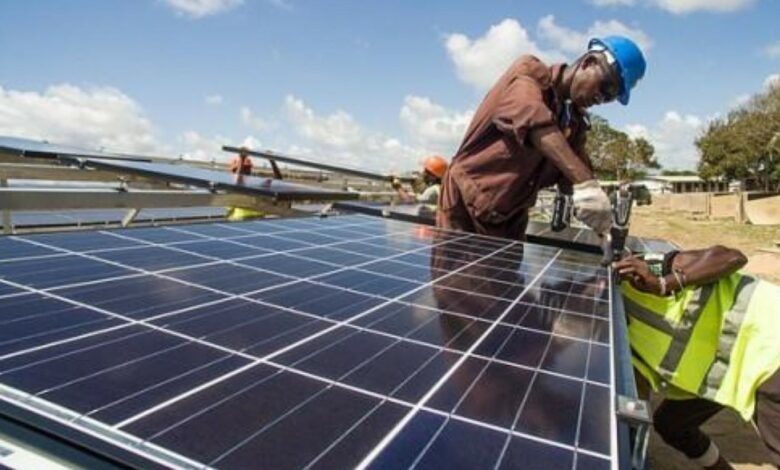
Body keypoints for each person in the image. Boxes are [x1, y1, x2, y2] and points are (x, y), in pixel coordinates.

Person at [437, 36, 646, 239]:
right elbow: (532, 117)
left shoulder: (574, 121)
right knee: (460, 276)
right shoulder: (530, 73)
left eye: (611, 97)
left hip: (510, 219)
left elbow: (574, 170)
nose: (602, 99)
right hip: (465, 208)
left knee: (505, 274)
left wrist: (600, 221)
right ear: (588, 63)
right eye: (607, 87)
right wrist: (586, 184)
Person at [614, 247, 780, 469]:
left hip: (768, 343)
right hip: (723, 369)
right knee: (672, 424)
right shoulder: (614, 339)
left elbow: (733, 257)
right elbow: (637, 388)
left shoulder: (637, 270)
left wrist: (665, 283)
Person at [226, 147, 264, 221]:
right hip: (240, 221)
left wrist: (272, 161)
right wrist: (242, 159)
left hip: (257, 220)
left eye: (248, 169)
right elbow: (238, 183)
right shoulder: (231, 185)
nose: (246, 171)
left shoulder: (255, 184)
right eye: (244, 168)